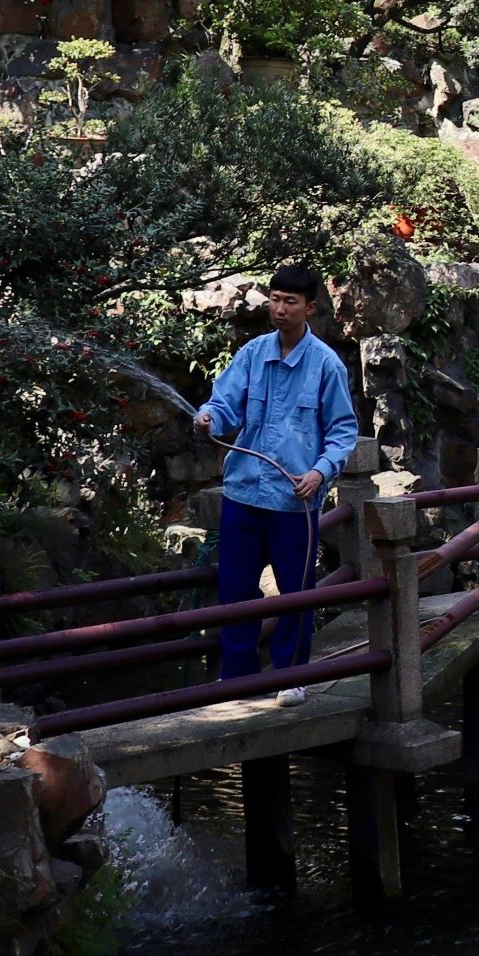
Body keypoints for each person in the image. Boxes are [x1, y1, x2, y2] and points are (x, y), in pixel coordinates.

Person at [199, 262, 357, 684]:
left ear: (310, 307)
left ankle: (291, 677)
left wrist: (320, 473)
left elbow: (343, 431)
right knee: (234, 590)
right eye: (275, 298)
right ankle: (238, 675)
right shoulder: (252, 354)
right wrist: (208, 417)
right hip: (243, 493)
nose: (280, 308)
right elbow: (224, 404)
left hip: (295, 501)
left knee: (296, 593)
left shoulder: (327, 365)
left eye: (291, 301)